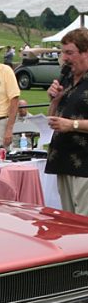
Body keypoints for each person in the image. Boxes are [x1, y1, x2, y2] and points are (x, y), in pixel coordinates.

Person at [46, 28, 88, 215]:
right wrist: (55, 100)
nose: (64, 58)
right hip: (62, 160)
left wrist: (72, 125)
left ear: (86, 52)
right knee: (69, 224)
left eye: (69, 53)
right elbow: (52, 117)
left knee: (83, 224)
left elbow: (68, 123)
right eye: (63, 52)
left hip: (84, 164)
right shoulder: (68, 78)